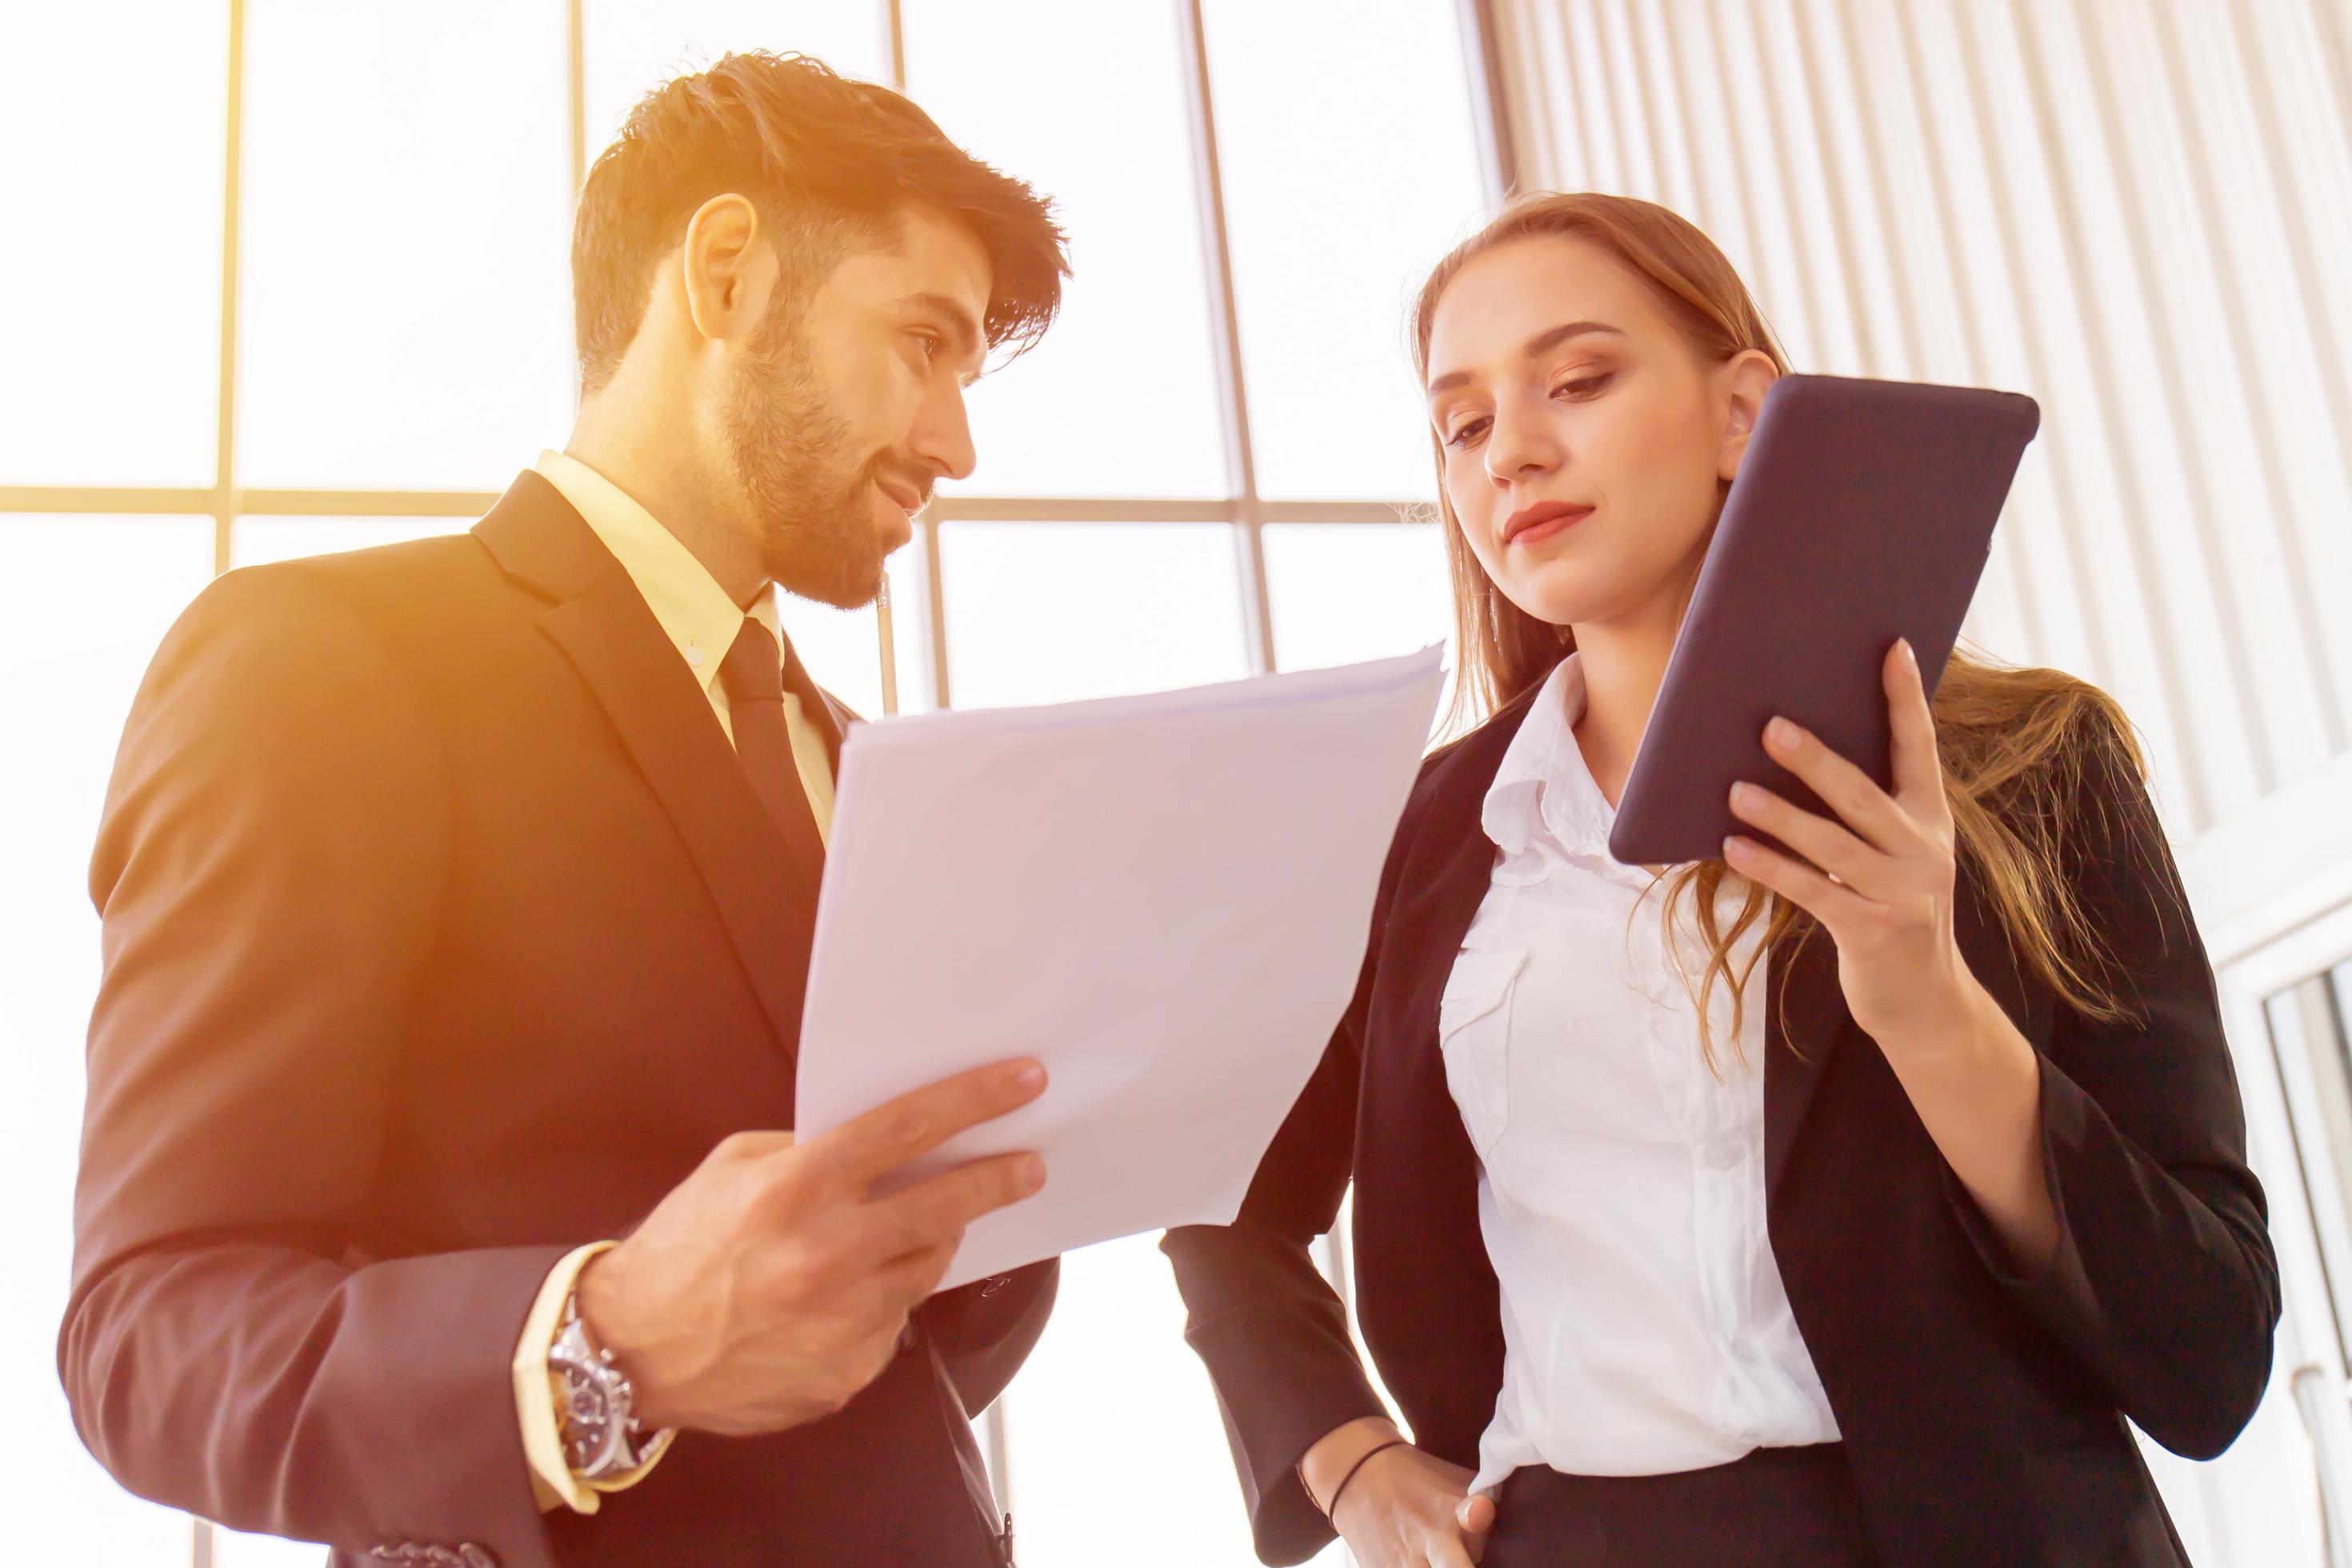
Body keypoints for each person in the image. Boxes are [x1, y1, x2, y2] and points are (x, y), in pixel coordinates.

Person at [1162, 192, 2279, 1567]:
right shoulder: (1414, 838)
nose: (1512, 451)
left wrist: (1927, 1005)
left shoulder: (2035, 770)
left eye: (1576, 380)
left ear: (1746, 408)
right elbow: (1217, 1190)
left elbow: (2209, 1346)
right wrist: (1347, 1461)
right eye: (1461, 424)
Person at [62, 53, 1069, 1568]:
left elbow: (889, 1350)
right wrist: (606, 1351)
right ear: (724, 272)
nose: (953, 443)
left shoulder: (875, 776)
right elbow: (149, 1335)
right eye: (920, 344)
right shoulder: (320, 664)